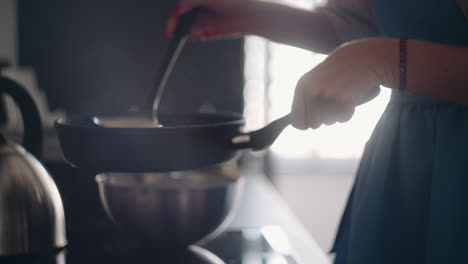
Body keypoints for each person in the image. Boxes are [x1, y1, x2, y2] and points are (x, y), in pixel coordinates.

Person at [166, 0, 468, 263]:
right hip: (403, 166)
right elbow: (367, 26)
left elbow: (382, 49)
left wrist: (382, 59)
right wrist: (252, 14)